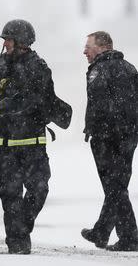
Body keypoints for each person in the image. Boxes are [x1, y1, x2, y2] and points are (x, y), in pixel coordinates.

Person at [0, 19, 56, 254]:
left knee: (39, 190)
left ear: (22, 42)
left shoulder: (38, 67)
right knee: (10, 195)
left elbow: (28, 101)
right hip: (3, 144)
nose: (5, 44)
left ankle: (20, 227)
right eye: (4, 39)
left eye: (8, 39)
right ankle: (18, 244)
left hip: (32, 143)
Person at [80, 31, 138, 251]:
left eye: (88, 46)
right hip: (129, 136)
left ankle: (104, 231)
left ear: (103, 47)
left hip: (108, 137)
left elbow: (99, 103)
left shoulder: (99, 70)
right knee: (118, 186)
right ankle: (127, 236)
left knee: (114, 187)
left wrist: (96, 129)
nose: (85, 51)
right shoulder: (130, 68)